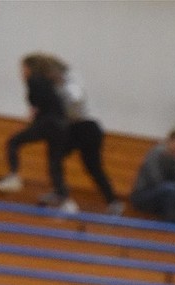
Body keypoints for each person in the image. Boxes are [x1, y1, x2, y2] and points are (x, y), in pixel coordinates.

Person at [0, 53, 74, 214]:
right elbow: (50, 105)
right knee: (54, 163)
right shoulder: (49, 83)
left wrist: (33, 117)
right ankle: (64, 197)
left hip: (50, 123)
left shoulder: (34, 81)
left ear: (29, 69)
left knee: (14, 142)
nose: (21, 72)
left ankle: (14, 176)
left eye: (23, 68)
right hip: (62, 126)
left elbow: (38, 105)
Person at [49, 55, 125, 215]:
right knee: (55, 156)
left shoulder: (72, 81)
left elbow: (76, 98)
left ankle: (113, 202)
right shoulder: (55, 86)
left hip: (87, 127)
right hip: (73, 127)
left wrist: (61, 87)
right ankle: (60, 192)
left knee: (93, 167)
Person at [130, 129, 175, 224]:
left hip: (164, 192)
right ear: (170, 140)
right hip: (143, 194)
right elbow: (155, 179)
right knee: (171, 188)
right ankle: (170, 224)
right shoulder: (155, 153)